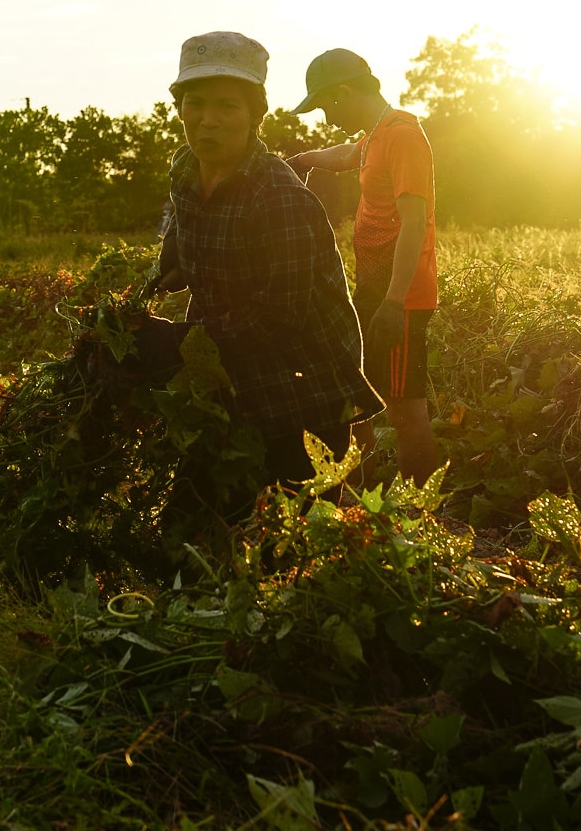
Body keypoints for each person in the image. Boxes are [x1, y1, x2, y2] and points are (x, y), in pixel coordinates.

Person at [155, 31, 382, 497]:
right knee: (196, 526)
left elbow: (278, 318)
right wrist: (153, 287)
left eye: (226, 107)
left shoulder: (278, 196)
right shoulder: (185, 169)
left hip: (302, 392)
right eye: (194, 104)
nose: (207, 122)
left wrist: (176, 345)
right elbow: (179, 248)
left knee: (288, 547)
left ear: (255, 115)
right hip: (227, 376)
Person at [286, 49, 440, 484]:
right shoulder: (376, 134)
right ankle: (363, 508)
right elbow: (347, 153)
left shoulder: (403, 136)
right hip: (377, 291)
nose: (327, 118)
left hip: (401, 296)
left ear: (345, 93)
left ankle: (420, 520)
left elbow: (414, 224)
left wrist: (392, 303)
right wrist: (304, 160)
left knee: (405, 409)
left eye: (325, 106)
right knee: (361, 400)